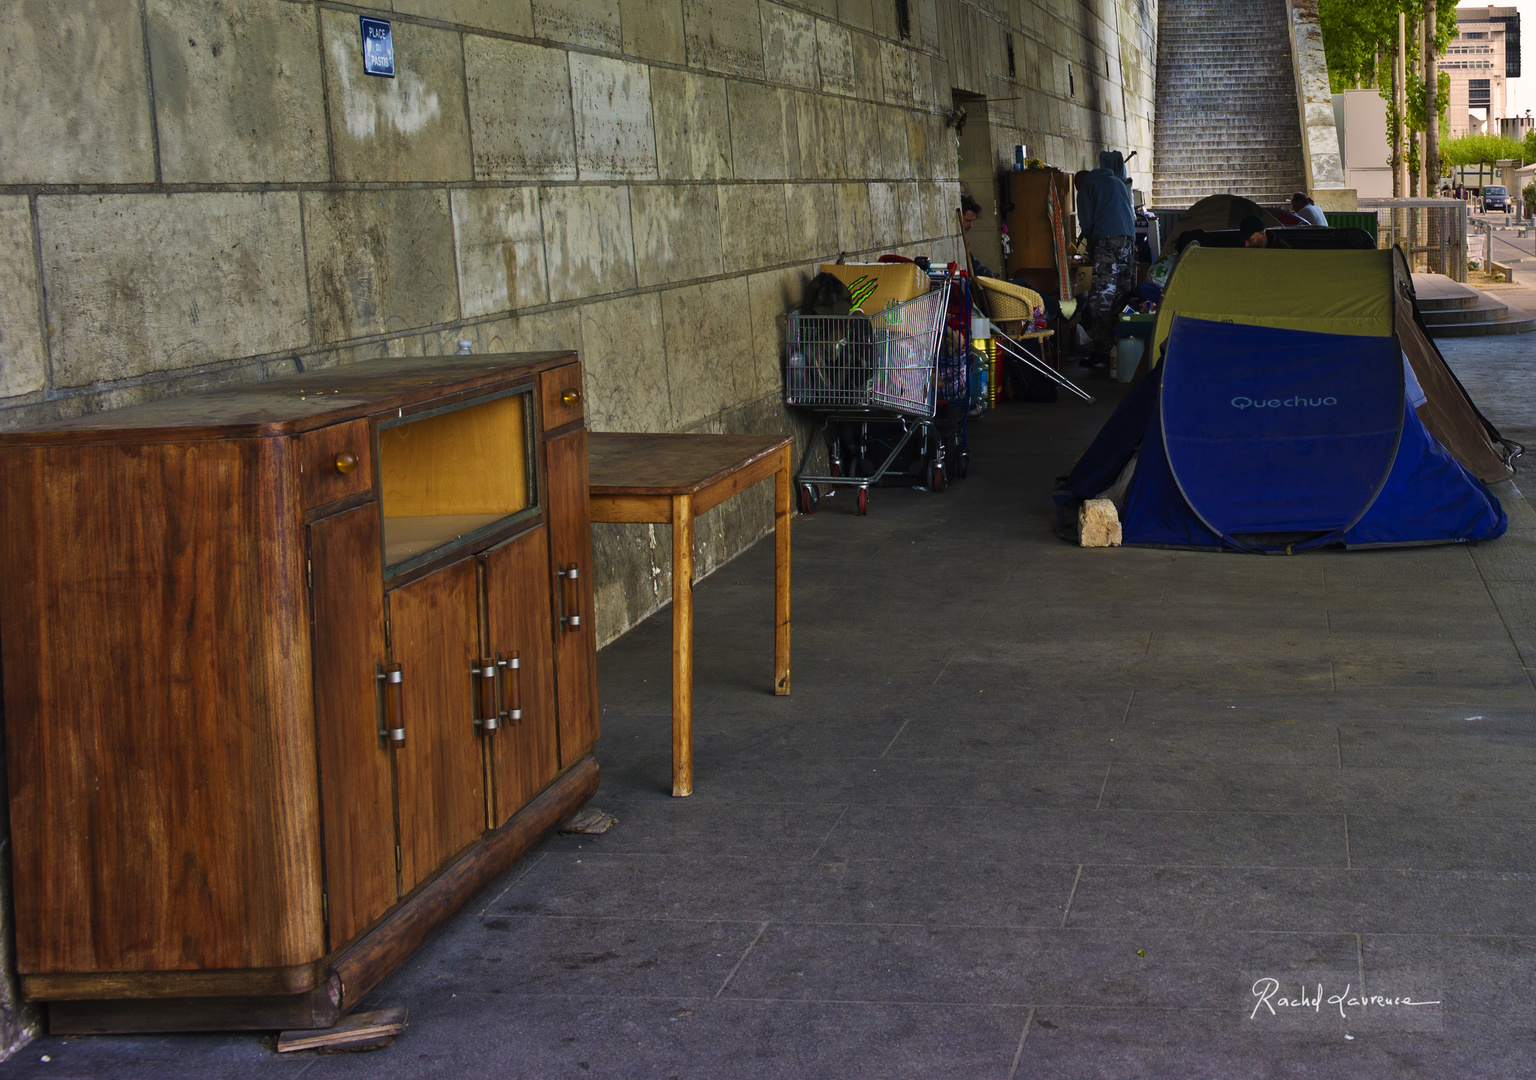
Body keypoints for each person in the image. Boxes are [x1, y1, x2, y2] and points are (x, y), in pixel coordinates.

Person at [1074, 152, 1137, 368]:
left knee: (1101, 297)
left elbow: (1087, 222)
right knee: (1121, 294)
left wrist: (1091, 246)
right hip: (1129, 241)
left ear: (1078, 183)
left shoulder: (1085, 187)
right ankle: (1120, 348)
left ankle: (1102, 352)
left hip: (1108, 241)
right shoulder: (1117, 181)